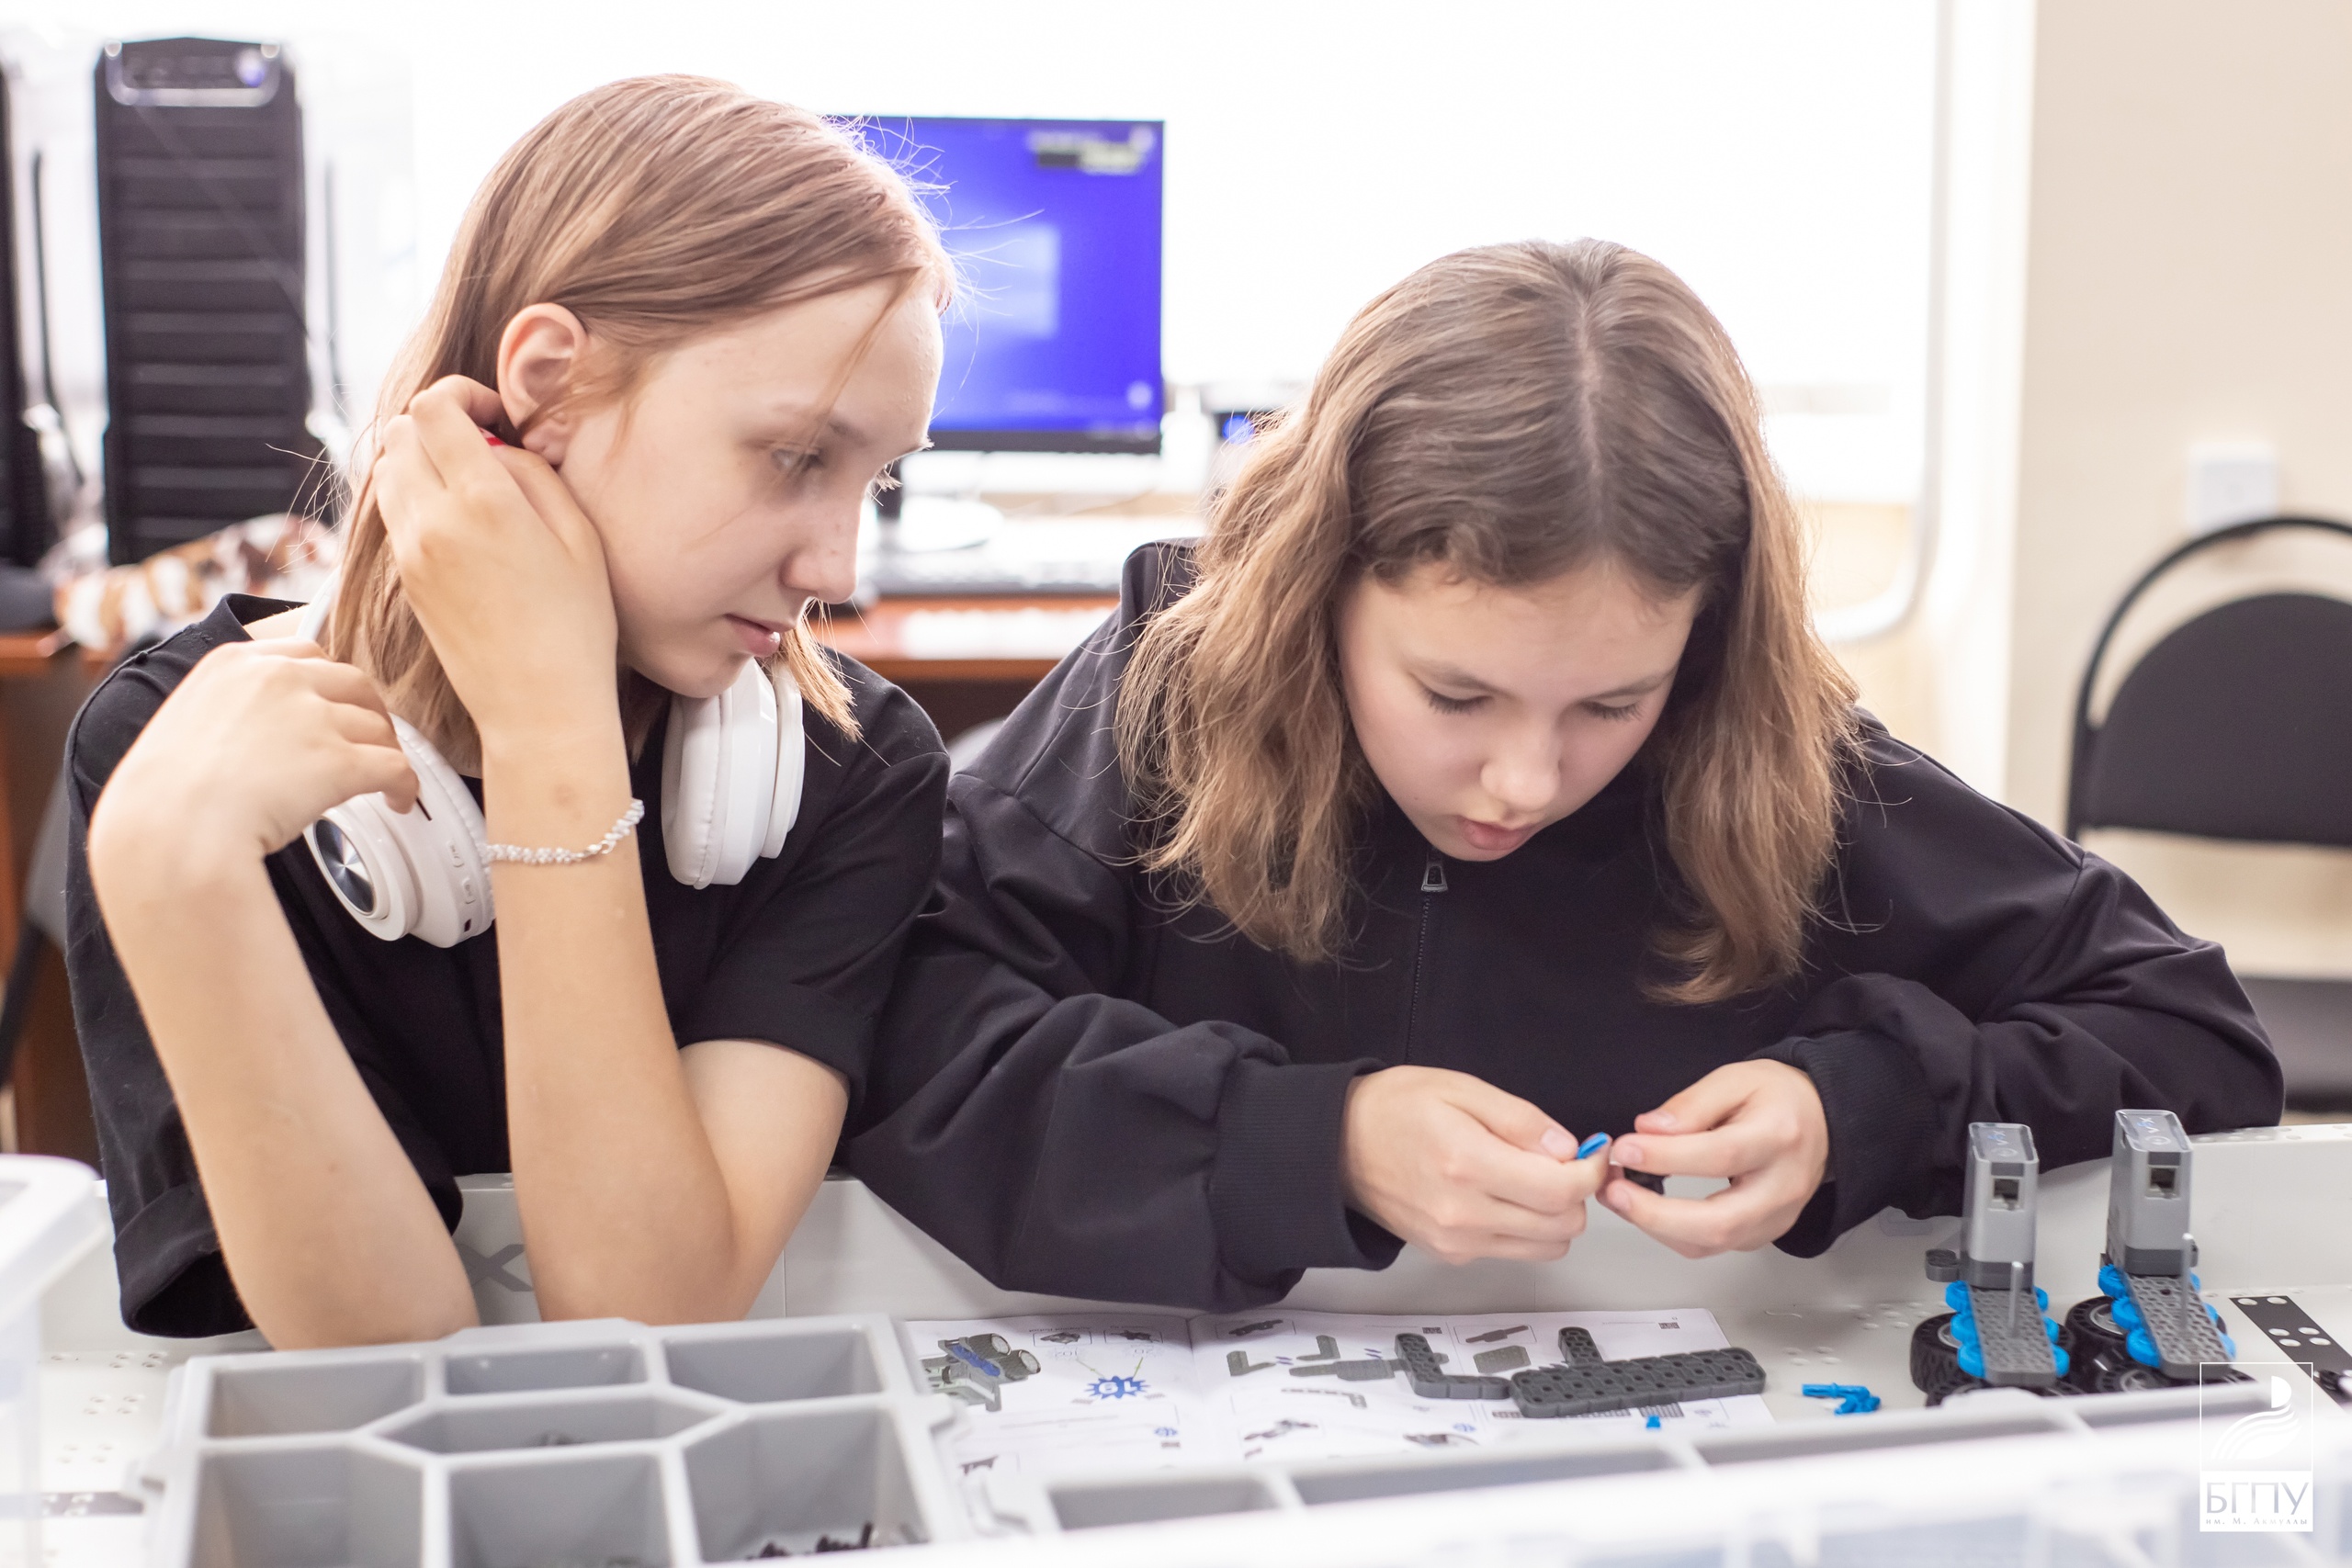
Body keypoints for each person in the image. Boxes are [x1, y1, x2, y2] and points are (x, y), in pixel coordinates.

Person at [847, 239, 2282, 1311]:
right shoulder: (1167, 692)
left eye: (1612, 704)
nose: (1524, 781)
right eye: (1453, 695)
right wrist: (1314, 1143)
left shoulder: (1772, 756)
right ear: (1317, 592)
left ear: (1702, 647)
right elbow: (911, 1034)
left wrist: (1865, 1105)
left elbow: (2193, 1036)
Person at [67, 78, 951, 1347]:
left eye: (879, 477)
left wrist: (551, 732)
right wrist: (171, 875)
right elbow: (380, 1367)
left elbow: (646, 1313)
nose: (837, 569)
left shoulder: (854, 769)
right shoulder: (181, 765)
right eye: (796, 456)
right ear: (549, 384)